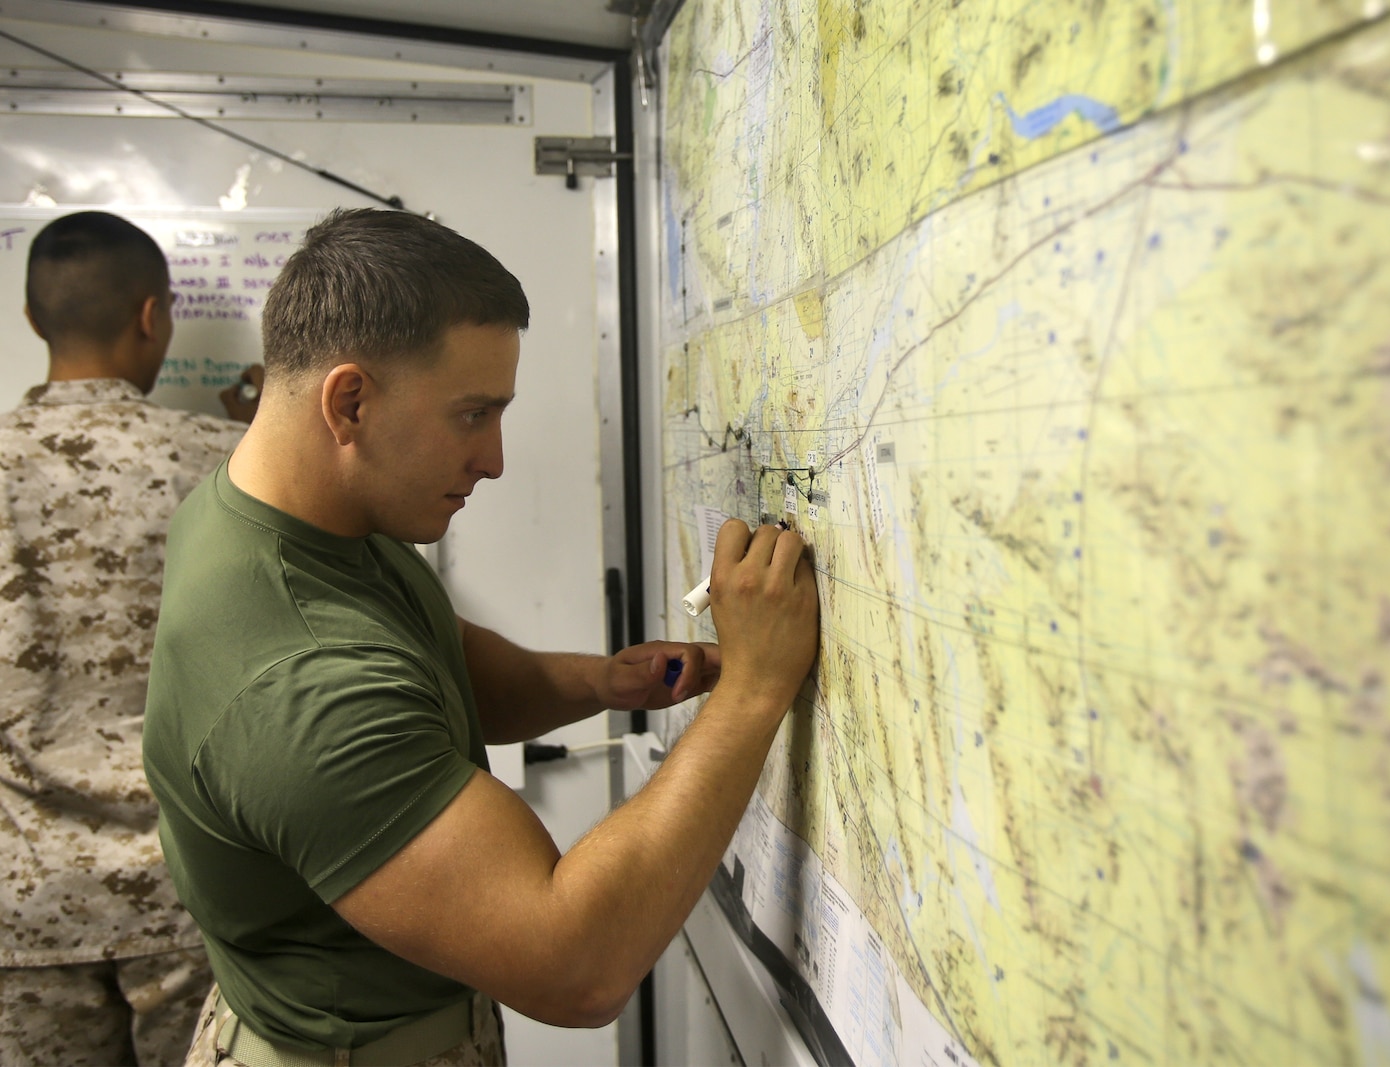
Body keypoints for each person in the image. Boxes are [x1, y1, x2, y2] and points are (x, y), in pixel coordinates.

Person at [142, 207, 820, 1067]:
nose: (494, 458)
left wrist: (599, 683)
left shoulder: (292, 507)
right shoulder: (297, 684)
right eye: (472, 413)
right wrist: (758, 685)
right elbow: (573, 964)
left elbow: (430, 655)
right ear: (349, 401)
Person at [0, 210, 260, 1065]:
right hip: (192, 890)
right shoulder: (224, 463)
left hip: (23, 906)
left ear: (33, 320)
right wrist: (242, 431)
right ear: (154, 315)